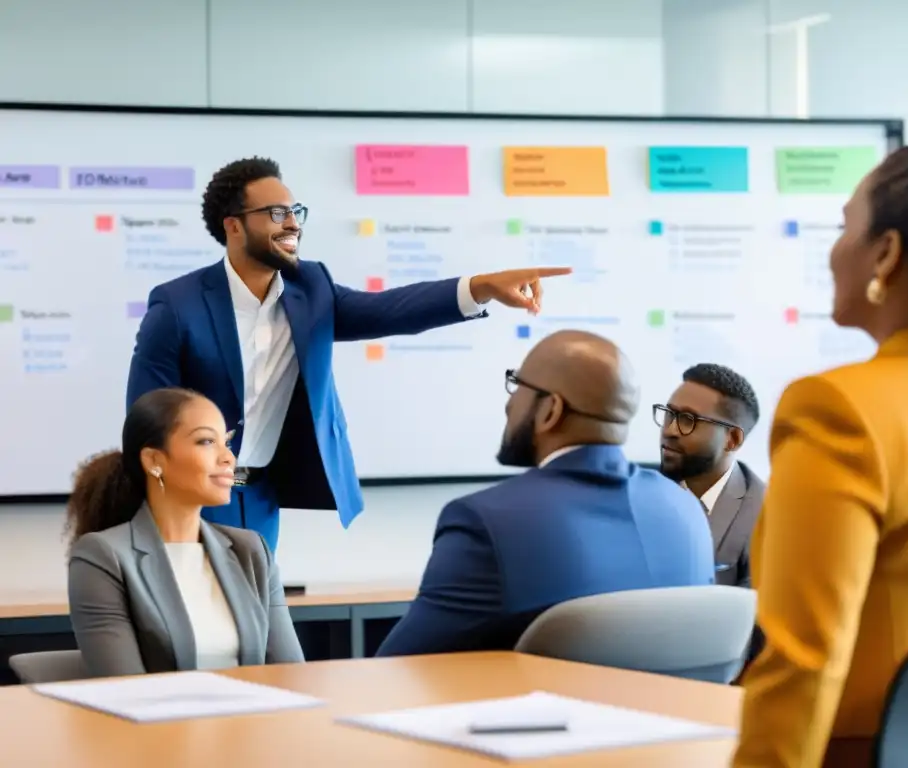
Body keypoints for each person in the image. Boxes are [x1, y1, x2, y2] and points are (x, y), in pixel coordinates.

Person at [733, 120, 908, 767]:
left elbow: (805, 660)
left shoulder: (838, 408)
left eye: (845, 227)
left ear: (886, 254)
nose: (835, 250)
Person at [125, 157, 570, 551]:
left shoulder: (310, 289)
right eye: (276, 213)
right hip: (190, 493)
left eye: (296, 212)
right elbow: (146, 417)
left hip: (259, 496)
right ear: (233, 225)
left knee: (254, 625)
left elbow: (391, 310)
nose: (293, 223)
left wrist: (482, 286)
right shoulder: (178, 306)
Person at [376, 330, 715, 657]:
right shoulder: (684, 507)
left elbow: (400, 667)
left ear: (550, 410)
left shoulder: (487, 522)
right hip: (671, 714)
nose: (509, 404)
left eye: (517, 385)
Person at [66, 388, 304, 678]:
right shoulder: (102, 557)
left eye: (226, 442)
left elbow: (290, 675)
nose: (228, 458)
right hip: (160, 723)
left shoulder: (251, 550)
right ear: (154, 460)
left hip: (254, 721)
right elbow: (126, 690)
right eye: (206, 441)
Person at [656, 363, 763, 588]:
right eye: (669, 414)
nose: (669, 430)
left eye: (688, 419)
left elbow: (754, 619)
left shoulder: (765, 516)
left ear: (732, 439)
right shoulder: (642, 489)